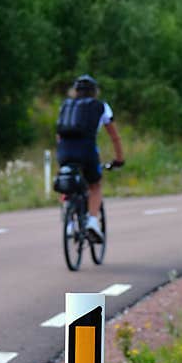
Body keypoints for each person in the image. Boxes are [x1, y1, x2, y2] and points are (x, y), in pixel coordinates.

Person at [55, 74, 124, 244]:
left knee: (67, 182)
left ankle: (69, 223)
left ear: (75, 91)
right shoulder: (101, 106)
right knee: (95, 184)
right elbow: (114, 136)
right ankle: (93, 221)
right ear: (95, 92)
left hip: (64, 151)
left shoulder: (66, 105)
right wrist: (119, 158)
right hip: (87, 150)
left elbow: (59, 134)